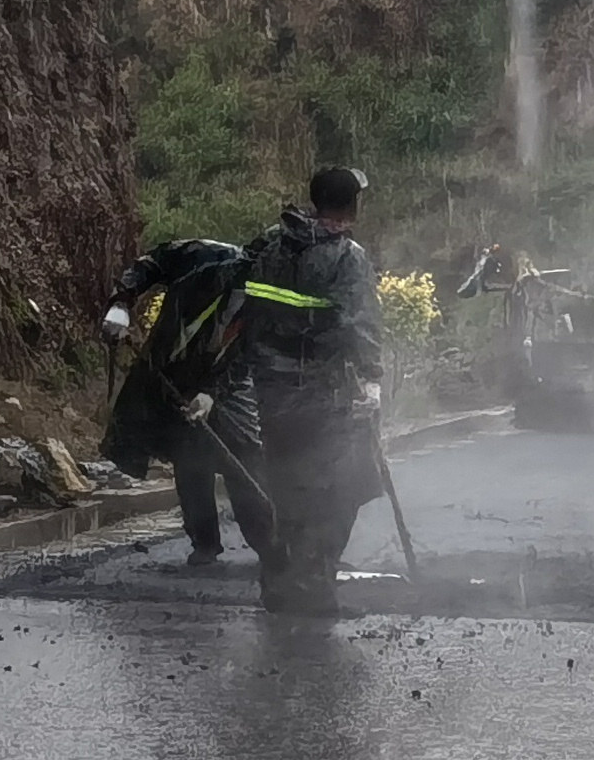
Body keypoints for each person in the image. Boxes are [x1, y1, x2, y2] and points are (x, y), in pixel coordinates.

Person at [235, 165, 386, 616]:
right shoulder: (347, 256)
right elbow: (356, 323)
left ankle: (278, 583)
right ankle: (313, 589)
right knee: (338, 490)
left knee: (285, 487)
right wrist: (372, 379)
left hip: (271, 390)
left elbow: (243, 303)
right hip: (324, 391)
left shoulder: (271, 242)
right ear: (352, 204)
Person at [98, 235, 270, 569]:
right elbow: (151, 263)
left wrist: (213, 393)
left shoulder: (272, 300)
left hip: (228, 379)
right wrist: (121, 304)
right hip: (176, 365)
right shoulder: (205, 257)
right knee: (190, 454)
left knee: (245, 454)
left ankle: (268, 543)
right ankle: (204, 543)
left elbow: (249, 355)